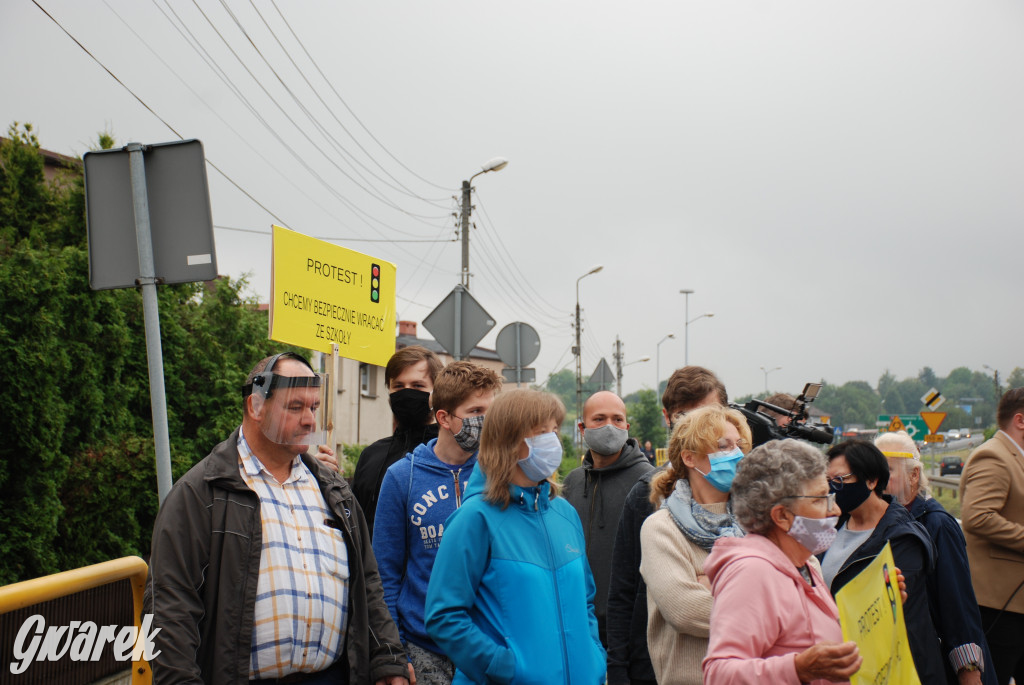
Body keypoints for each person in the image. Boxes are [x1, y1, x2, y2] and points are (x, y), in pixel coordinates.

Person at [145, 352, 409, 684]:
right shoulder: (200, 494)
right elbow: (170, 607)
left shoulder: (335, 492)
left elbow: (368, 586)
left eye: (313, 408)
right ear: (256, 407)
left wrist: (388, 659)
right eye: (295, 407)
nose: (310, 421)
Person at [425, 389, 606, 684]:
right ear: (509, 441)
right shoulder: (475, 518)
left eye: (554, 430)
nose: (553, 441)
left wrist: (594, 658)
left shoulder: (565, 514)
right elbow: (444, 616)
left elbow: (585, 600)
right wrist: (505, 668)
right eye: (540, 432)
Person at [373, 361, 501, 684]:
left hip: (487, 648)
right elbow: (384, 575)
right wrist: (395, 654)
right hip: (423, 651)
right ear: (444, 418)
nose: (487, 421)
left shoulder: (499, 478)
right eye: (476, 411)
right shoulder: (402, 477)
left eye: (492, 410)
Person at [703, 439, 861, 684]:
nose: (836, 510)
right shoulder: (753, 572)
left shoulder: (803, 563)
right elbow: (719, 674)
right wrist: (797, 669)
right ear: (782, 516)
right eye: (820, 500)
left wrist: (877, 604)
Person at [606, 366, 727, 685]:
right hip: (658, 665)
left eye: (708, 414)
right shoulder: (647, 495)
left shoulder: (753, 499)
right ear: (667, 417)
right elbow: (624, 588)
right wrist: (618, 668)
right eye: (684, 416)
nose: (697, 426)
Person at [639, 404, 751, 685]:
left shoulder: (759, 520)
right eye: (723, 446)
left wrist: (712, 584)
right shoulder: (662, 527)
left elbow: (800, 583)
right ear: (689, 458)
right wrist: (765, 599)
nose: (736, 454)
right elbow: (686, 611)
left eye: (739, 445)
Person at [820, 439, 944, 683]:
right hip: (844, 663)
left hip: (888, 667)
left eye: (840, 481)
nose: (832, 489)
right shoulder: (830, 526)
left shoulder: (902, 538)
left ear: (871, 481)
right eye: (827, 481)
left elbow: (889, 609)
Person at [876, 430, 994, 685]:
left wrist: (968, 669)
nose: (877, 481)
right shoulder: (878, 522)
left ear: (914, 475)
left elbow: (957, 602)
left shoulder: (936, 524)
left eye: (888, 471)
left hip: (943, 663)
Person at [563, 390, 654, 646]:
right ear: (582, 427)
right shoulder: (573, 481)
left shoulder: (649, 482)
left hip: (631, 629)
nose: (609, 427)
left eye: (617, 419)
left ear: (627, 426)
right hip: (579, 623)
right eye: (599, 419)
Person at [960, 387, 1024, 685]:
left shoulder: (1015, 458)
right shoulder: (994, 456)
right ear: (1020, 420)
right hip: (999, 605)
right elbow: (978, 517)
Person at [350, 345, 444, 538]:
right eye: (398, 386)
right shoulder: (371, 456)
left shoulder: (447, 454)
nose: (406, 393)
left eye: (417, 386)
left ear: (437, 392)